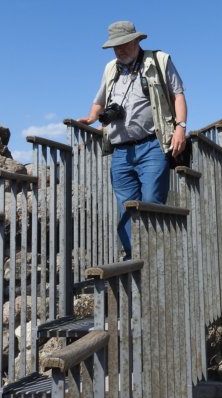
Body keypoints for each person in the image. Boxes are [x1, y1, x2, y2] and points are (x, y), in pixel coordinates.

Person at [78, 20, 188, 257]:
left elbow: (178, 95)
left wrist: (180, 127)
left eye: (124, 44)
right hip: (120, 151)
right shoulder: (111, 69)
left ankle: (154, 258)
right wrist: (91, 118)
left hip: (152, 145)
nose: (119, 50)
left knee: (151, 203)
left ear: (137, 40)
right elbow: (99, 101)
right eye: (115, 46)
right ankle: (133, 258)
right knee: (126, 207)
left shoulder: (159, 61)